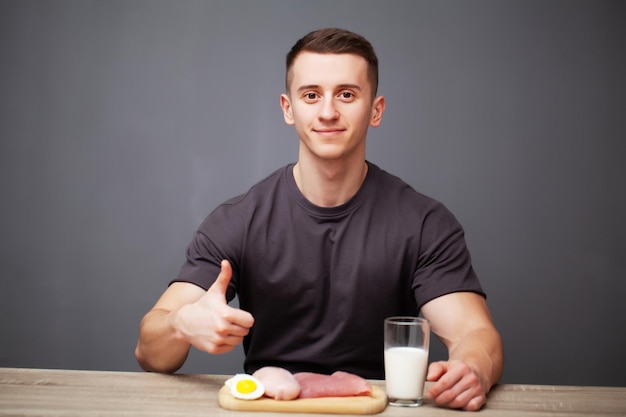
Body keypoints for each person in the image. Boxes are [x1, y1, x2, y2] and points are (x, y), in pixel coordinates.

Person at [135, 27, 503, 411]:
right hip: (271, 409)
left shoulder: (424, 222)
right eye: (311, 95)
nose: (328, 112)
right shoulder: (237, 221)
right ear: (288, 108)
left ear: (375, 110)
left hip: (381, 410)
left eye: (347, 94)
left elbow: (475, 333)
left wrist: (473, 367)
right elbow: (149, 351)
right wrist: (181, 324)